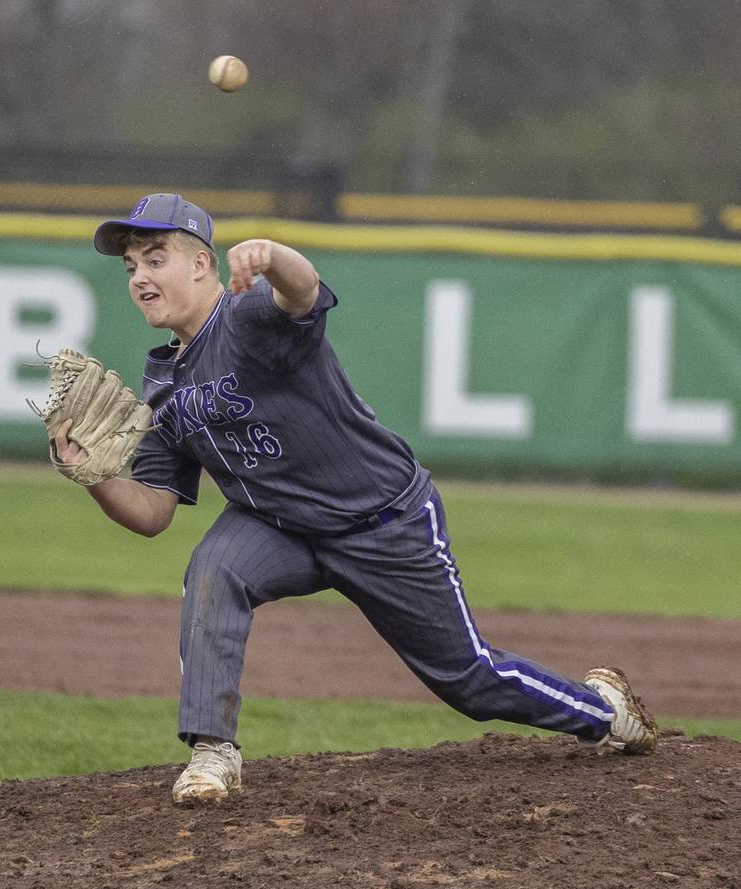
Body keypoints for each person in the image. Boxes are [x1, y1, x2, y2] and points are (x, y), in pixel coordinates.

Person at [54, 193, 658, 805]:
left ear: (201, 264)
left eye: (155, 259)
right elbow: (154, 511)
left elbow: (302, 292)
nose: (139, 278)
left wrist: (273, 254)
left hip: (382, 522)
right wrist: (93, 476)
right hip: (280, 530)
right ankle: (212, 753)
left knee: (469, 680)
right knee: (215, 569)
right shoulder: (163, 383)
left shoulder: (247, 317)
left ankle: (604, 714)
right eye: (130, 267)